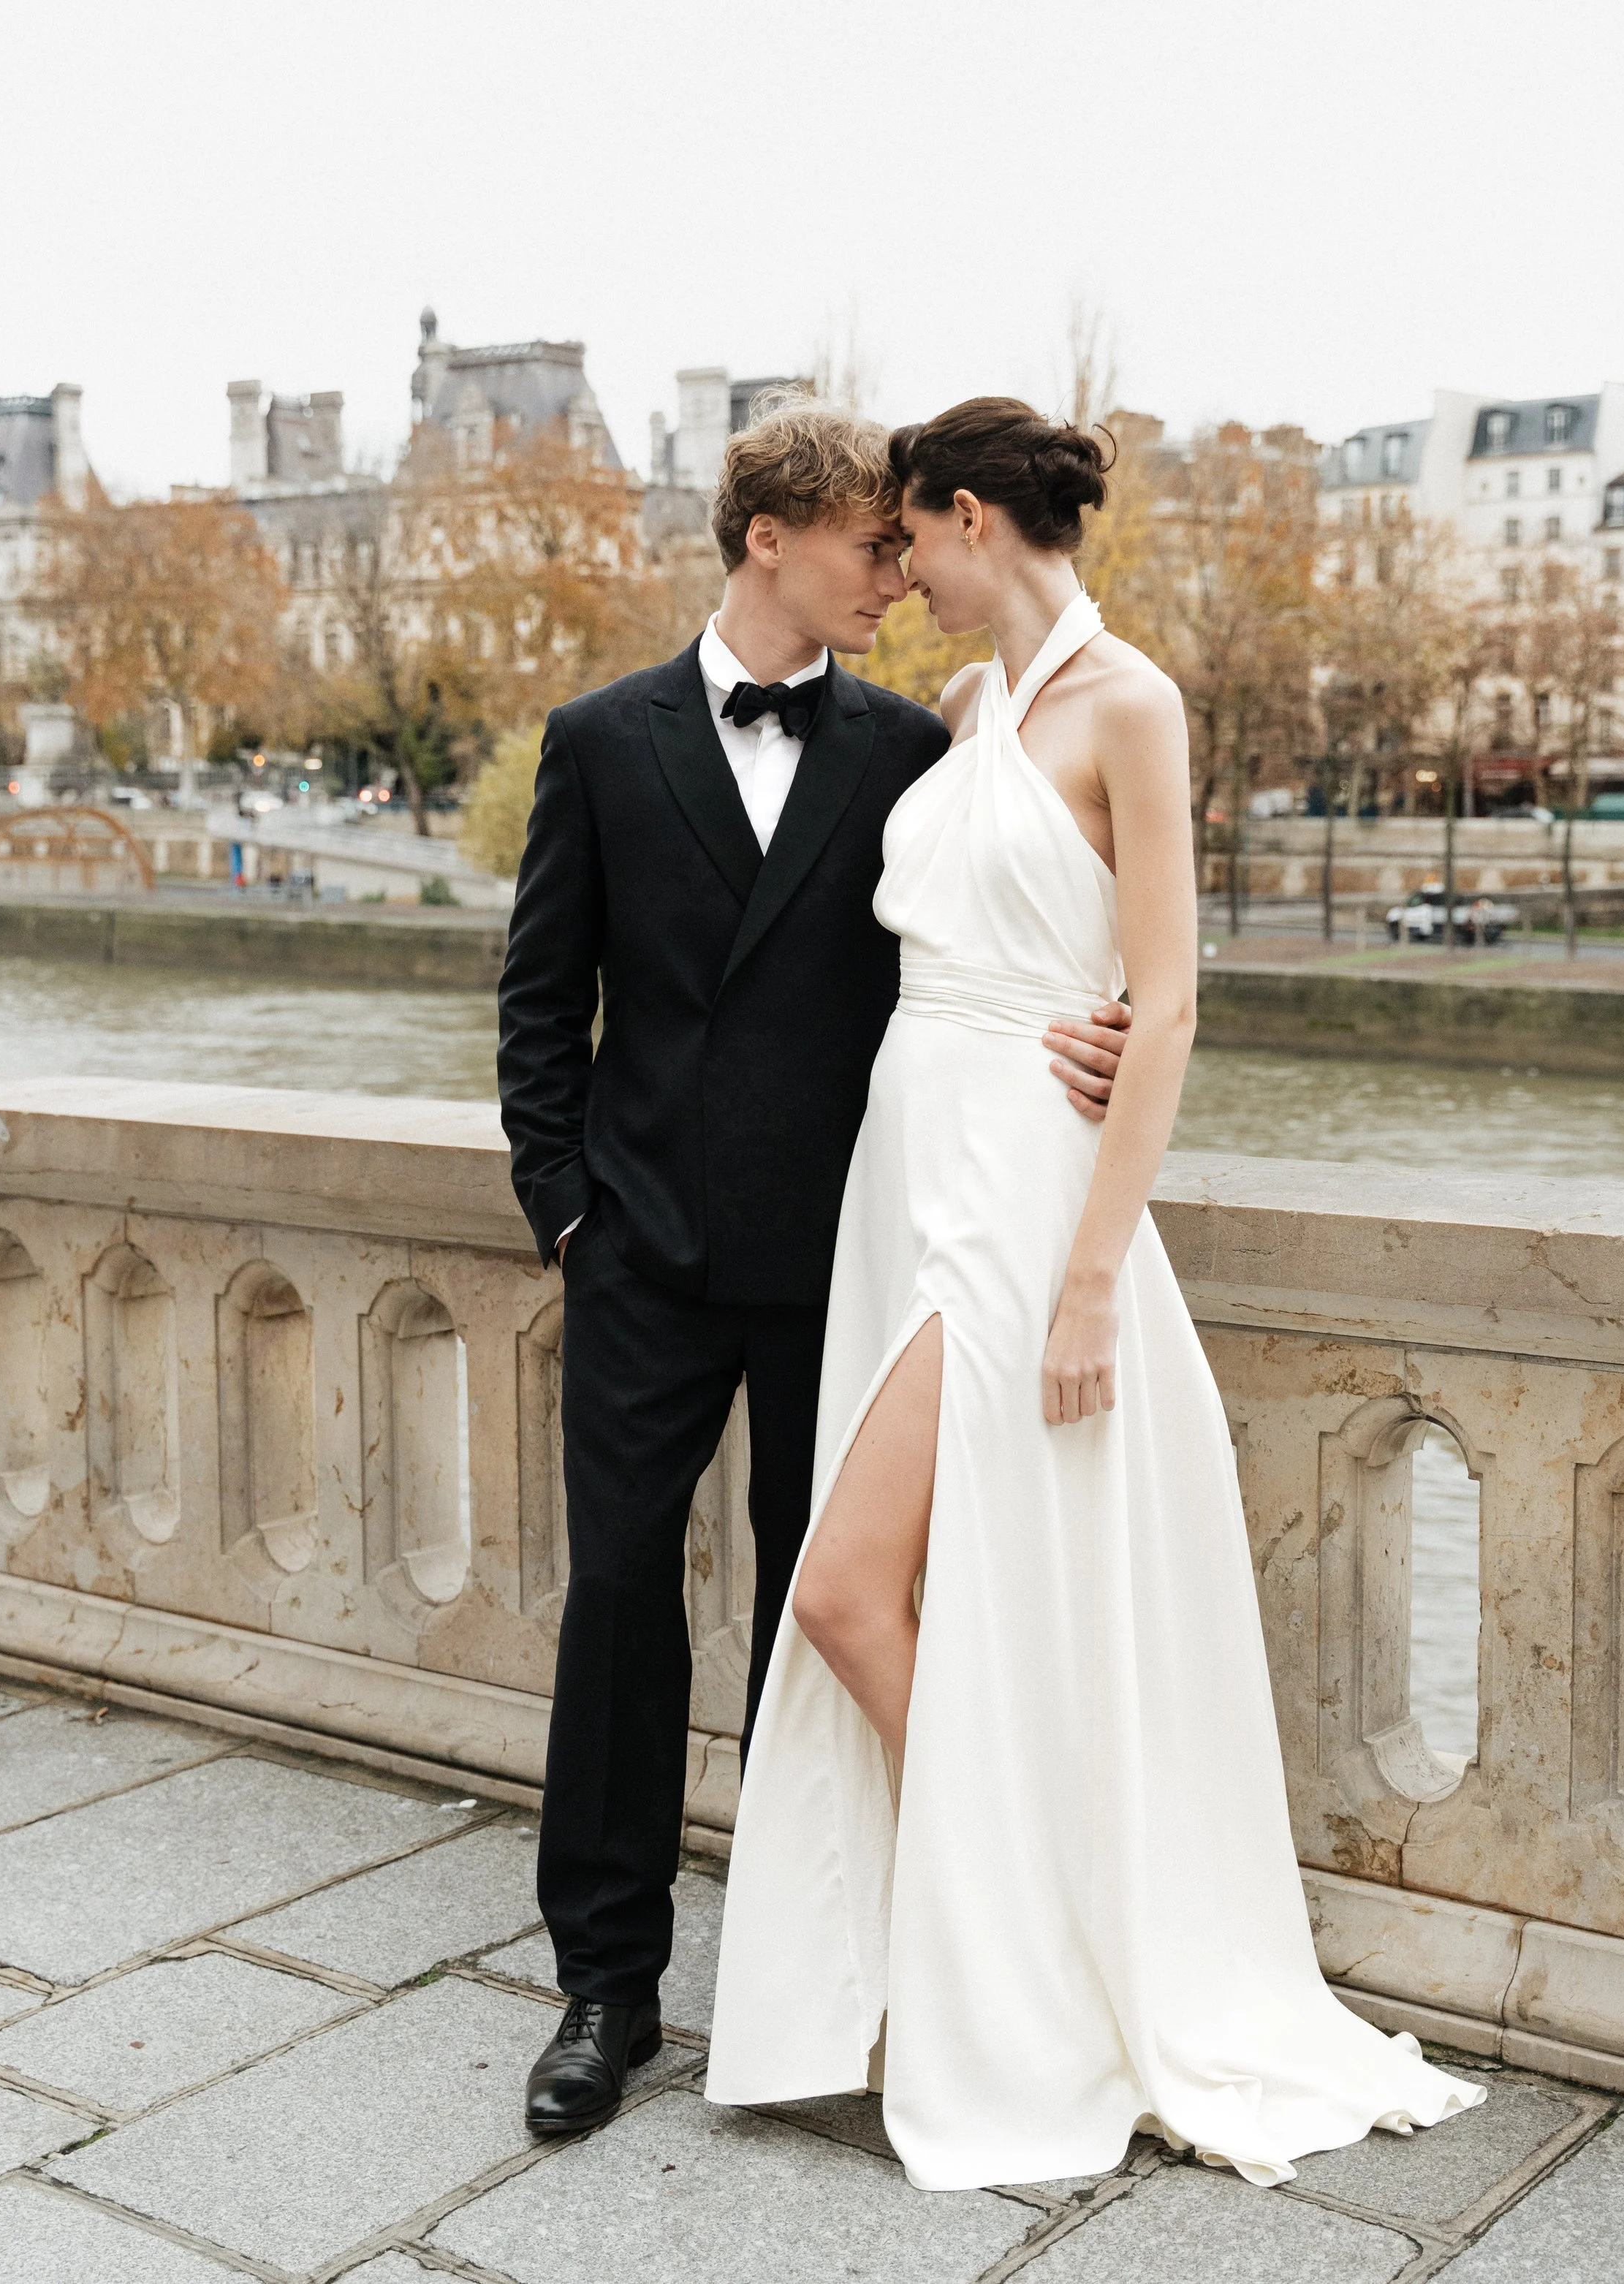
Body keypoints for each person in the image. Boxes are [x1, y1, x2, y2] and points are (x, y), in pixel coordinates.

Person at [706, 398, 1484, 2190]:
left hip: (1019, 1205)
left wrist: (1084, 1285)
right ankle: (1019, 1921)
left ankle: (1041, 1931)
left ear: (977, 520)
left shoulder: (1129, 702)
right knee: (902, 1587)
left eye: (911, 537)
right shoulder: (972, 710)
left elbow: (1170, 994)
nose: (897, 568)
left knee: (837, 1589)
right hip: (907, 1176)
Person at [496, 401, 1131, 2136]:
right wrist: (569, 1210)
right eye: (869, 545)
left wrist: (1109, 1030)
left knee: (816, 1607)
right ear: (767, 538)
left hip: (847, 1250)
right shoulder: (600, 740)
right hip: (639, 1257)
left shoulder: (914, 747)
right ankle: (602, 1990)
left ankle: (836, 1971)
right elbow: (541, 1008)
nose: (895, 574)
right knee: (620, 1607)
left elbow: (1011, 920)